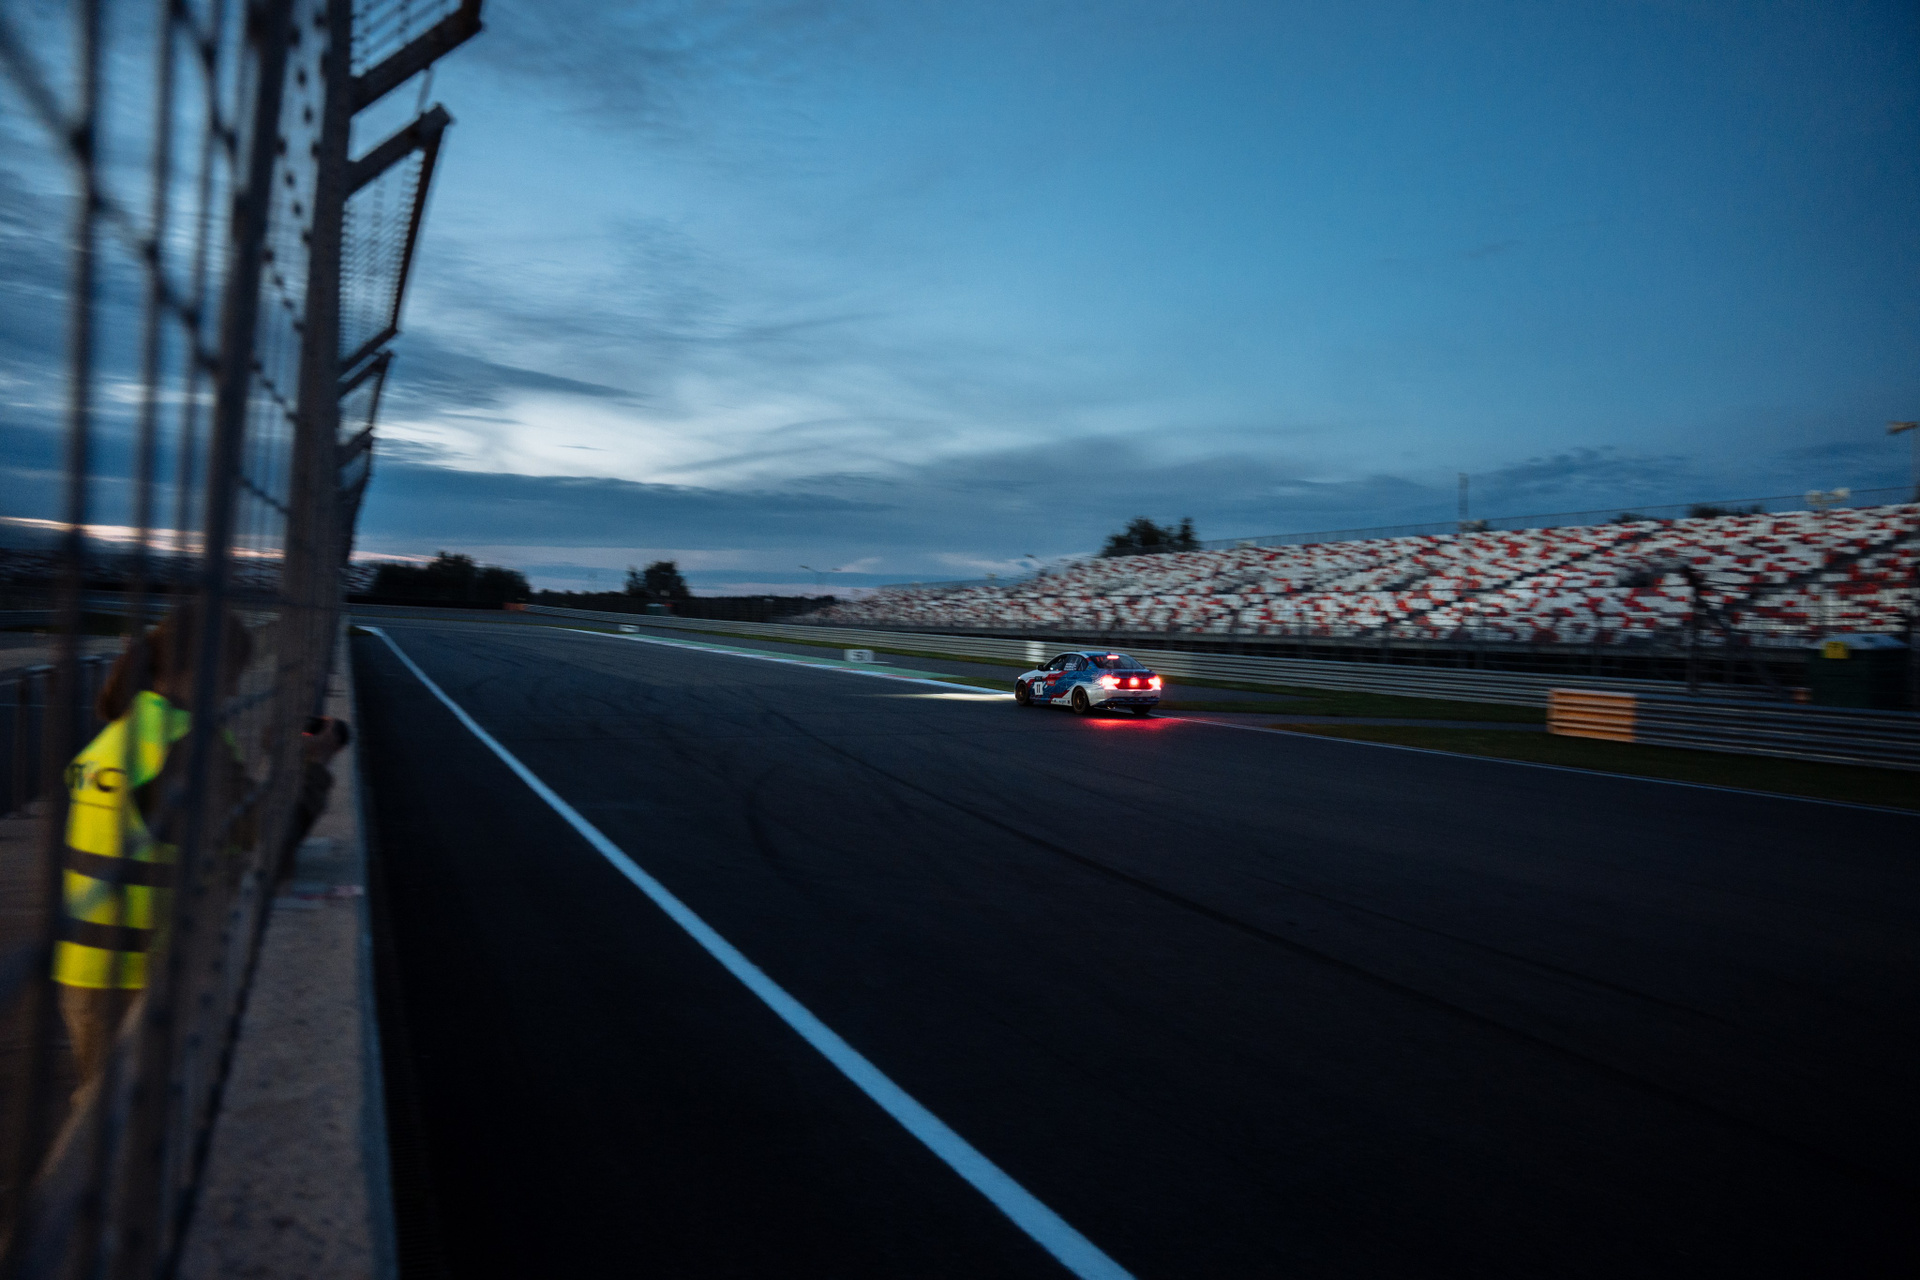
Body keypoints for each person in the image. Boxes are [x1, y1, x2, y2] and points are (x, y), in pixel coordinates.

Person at [52, 603, 345, 1088]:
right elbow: (268, 834)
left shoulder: (125, 731)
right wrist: (312, 765)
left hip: (85, 966)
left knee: (104, 1109)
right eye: (231, 676)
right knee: (141, 1115)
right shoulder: (185, 743)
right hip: (141, 974)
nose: (232, 691)